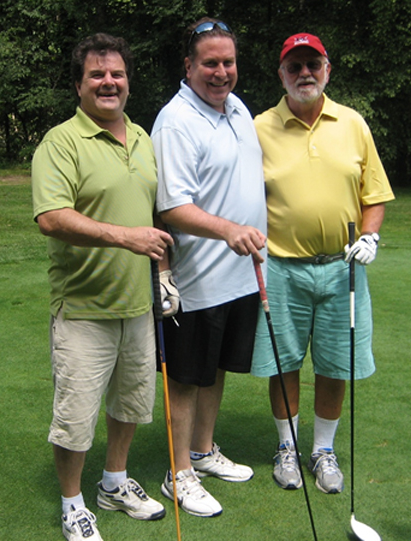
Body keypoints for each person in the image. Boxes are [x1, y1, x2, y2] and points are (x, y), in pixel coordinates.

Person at [31, 33, 176, 541]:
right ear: (79, 85)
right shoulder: (61, 141)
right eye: (97, 74)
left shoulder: (141, 138)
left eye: (116, 73)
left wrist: (161, 272)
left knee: (130, 404)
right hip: (84, 307)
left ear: (128, 82)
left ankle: (114, 482)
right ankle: (73, 503)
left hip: (138, 305)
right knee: (75, 417)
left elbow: (152, 215)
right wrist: (125, 237)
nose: (108, 82)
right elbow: (51, 216)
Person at [251, 33, 394, 495]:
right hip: (281, 266)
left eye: (313, 64)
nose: (304, 73)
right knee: (283, 361)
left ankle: (323, 450)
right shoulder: (258, 127)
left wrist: (370, 235)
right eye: (294, 67)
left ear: (327, 70)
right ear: (282, 75)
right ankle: (288, 448)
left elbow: (373, 195)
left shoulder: (353, 124)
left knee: (336, 364)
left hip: (343, 267)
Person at [150, 17, 267, 517]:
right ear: (189, 66)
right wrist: (228, 231)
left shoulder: (238, 108)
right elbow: (171, 207)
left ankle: (202, 450)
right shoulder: (175, 121)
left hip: (239, 274)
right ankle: (177, 474)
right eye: (210, 63)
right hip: (197, 277)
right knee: (185, 375)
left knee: (217, 367)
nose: (221, 72)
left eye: (228, 62)